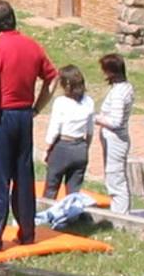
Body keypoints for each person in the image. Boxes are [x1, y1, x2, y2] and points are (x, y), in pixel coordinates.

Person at [0, 0, 57, 252]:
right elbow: (52, 78)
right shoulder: (32, 46)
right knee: (23, 174)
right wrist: (37, 108)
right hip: (23, 115)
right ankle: (27, 232)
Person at [44, 64, 95, 199]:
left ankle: (47, 214)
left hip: (62, 146)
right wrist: (85, 147)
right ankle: (72, 216)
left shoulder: (61, 102)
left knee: (52, 186)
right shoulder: (88, 101)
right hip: (80, 146)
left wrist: (48, 147)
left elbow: (55, 128)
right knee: (74, 190)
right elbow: (90, 130)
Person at [97, 52, 136, 214]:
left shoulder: (120, 93)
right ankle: (118, 211)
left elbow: (116, 121)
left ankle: (121, 215)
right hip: (113, 139)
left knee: (115, 177)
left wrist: (95, 118)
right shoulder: (125, 88)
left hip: (116, 140)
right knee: (113, 176)